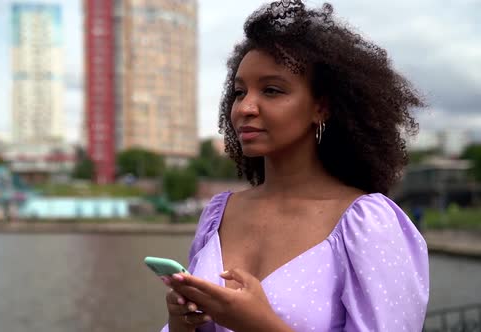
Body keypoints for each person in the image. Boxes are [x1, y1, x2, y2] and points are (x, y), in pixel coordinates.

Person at [159, 1, 429, 331]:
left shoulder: (367, 225)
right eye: (239, 91)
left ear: (322, 107)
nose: (245, 107)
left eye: (271, 90)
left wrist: (262, 325)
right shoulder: (219, 213)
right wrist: (179, 323)